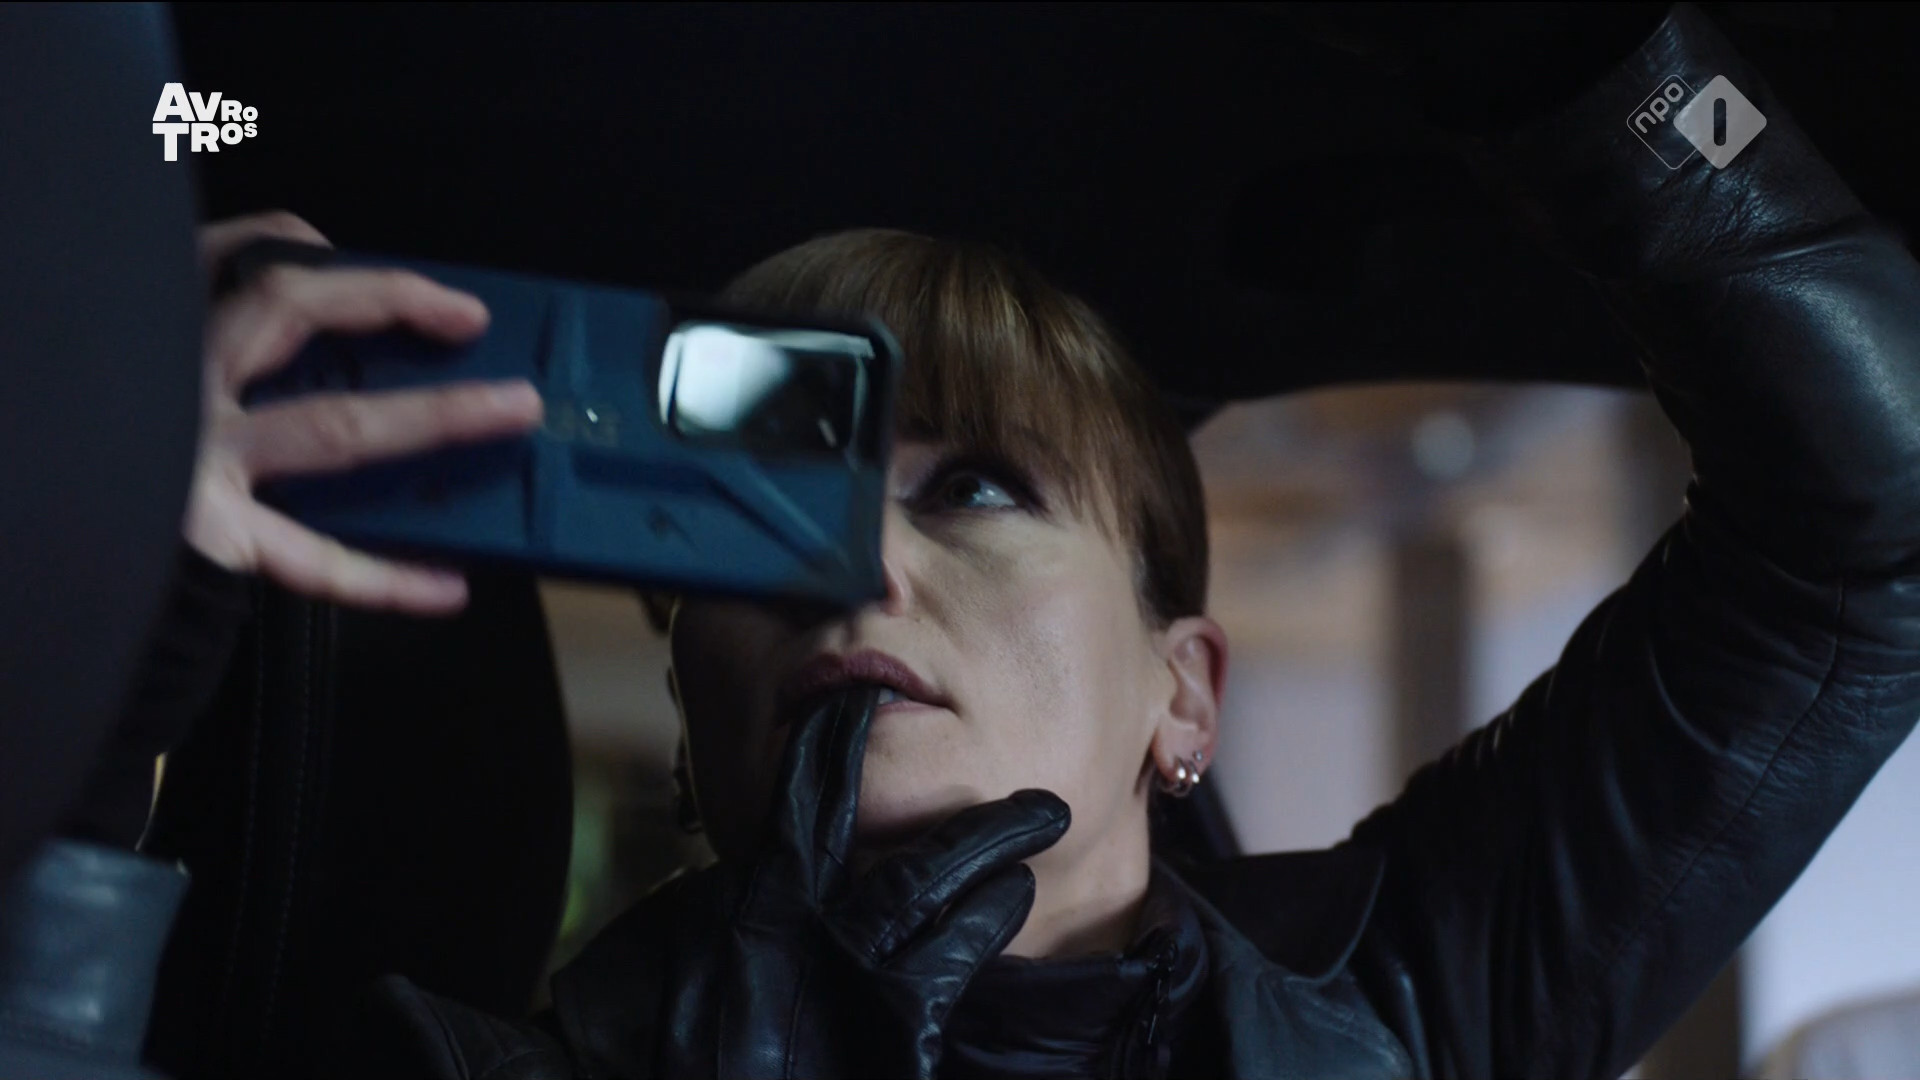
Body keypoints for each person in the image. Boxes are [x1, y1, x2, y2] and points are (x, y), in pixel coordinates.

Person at [100, 4, 1920, 1078]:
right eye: (760, 518)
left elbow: (1865, 529)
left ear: (1182, 692)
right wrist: (99, 629)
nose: (852, 568)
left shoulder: (1413, 1004)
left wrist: (1598, 60)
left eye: (977, 488)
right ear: (695, 713)